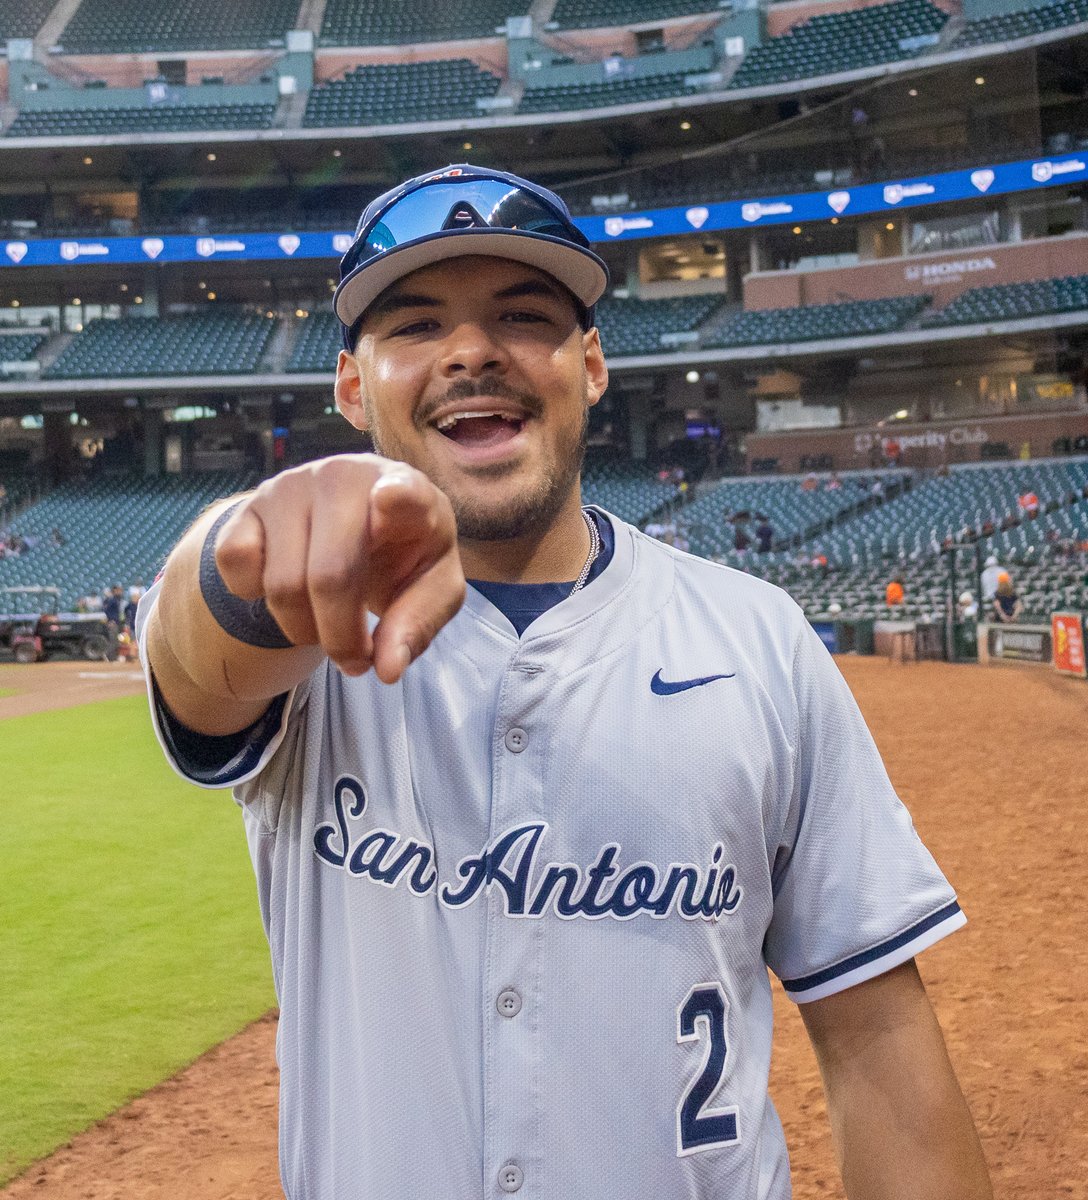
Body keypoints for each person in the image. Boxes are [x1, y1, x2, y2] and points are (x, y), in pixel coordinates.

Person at [137, 165, 991, 1200]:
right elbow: (196, 655)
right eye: (412, 327)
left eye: (523, 316)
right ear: (354, 390)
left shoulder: (755, 638)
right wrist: (248, 540)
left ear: (589, 365)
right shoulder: (310, 642)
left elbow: (874, 1031)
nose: (470, 351)